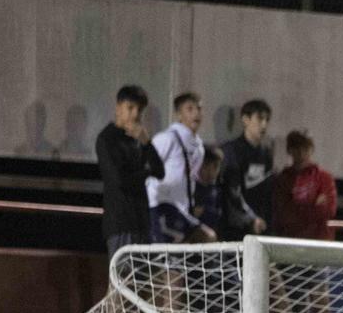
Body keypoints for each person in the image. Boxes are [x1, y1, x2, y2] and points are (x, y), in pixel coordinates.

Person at [96, 85, 163, 259]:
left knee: (142, 281)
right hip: (120, 222)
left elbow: (160, 171)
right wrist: (145, 173)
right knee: (121, 280)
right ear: (118, 107)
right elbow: (119, 180)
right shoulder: (107, 139)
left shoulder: (137, 139)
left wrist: (147, 143)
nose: (135, 114)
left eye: (139, 110)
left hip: (141, 221)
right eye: (130, 108)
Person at [146, 92, 213, 244]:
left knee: (203, 241)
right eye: (190, 109)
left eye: (199, 108)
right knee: (205, 238)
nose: (196, 113)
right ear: (178, 114)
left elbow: (192, 178)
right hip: (161, 206)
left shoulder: (198, 147)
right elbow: (148, 168)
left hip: (181, 208)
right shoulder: (166, 139)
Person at [218, 98, 274, 236]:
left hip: (259, 224)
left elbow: (267, 192)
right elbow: (232, 191)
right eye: (260, 119)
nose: (264, 125)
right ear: (245, 120)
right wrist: (250, 219)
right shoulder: (231, 151)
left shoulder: (266, 153)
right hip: (235, 226)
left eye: (267, 120)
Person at [271, 131, 337, 240]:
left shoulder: (325, 178)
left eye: (306, 147)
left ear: (312, 149)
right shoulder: (283, 179)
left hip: (318, 242)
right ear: (289, 150)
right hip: (289, 242)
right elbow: (283, 214)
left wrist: (298, 207)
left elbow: (329, 211)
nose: (301, 152)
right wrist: (313, 206)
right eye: (297, 147)